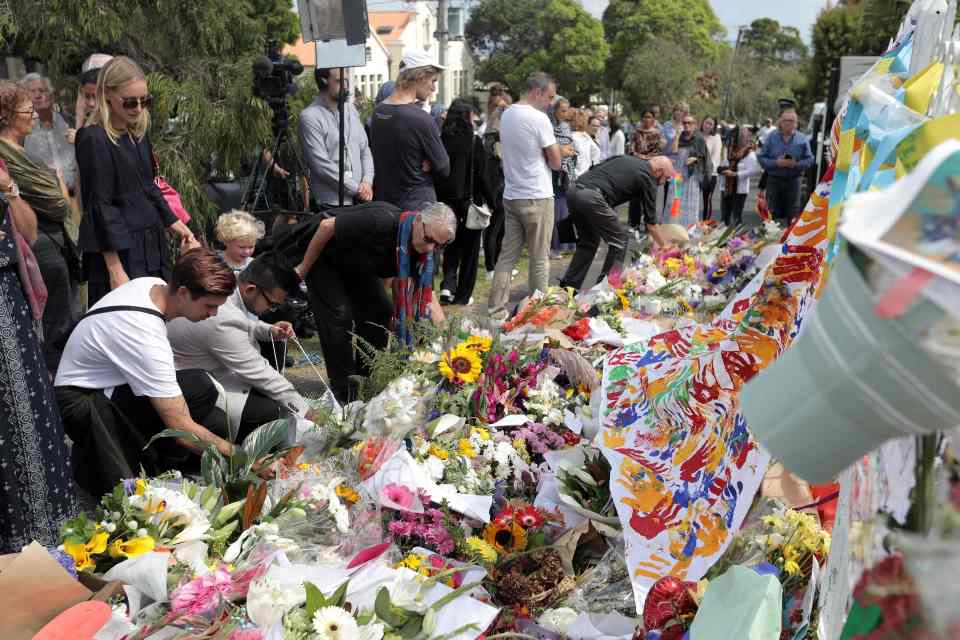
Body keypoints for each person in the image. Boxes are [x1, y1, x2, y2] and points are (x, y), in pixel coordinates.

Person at [55, 249, 237, 496]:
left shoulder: (153, 285)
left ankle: (161, 457)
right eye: (210, 305)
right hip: (81, 401)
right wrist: (240, 455)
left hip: (103, 384)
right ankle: (143, 463)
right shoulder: (144, 332)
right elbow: (182, 429)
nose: (213, 313)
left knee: (200, 387)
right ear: (183, 293)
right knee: (195, 418)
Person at [282, 202, 455, 402]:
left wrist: (447, 341)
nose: (430, 247)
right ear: (418, 221)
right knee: (339, 318)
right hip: (326, 258)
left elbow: (427, 297)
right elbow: (326, 226)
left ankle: (367, 380)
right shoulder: (382, 221)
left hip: (359, 267)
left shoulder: (422, 251)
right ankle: (344, 390)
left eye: (439, 245)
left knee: (380, 313)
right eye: (428, 239)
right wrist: (303, 268)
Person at [0, 161, 79, 553]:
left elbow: (28, 232)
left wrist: (10, 189)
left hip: (8, 300)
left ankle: (44, 538)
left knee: (26, 413)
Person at [75, 56, 198, 307]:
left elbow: (149, 187)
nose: (138, 108)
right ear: (107, 94)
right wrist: (114, 268)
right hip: (119, 249)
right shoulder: (93, 138)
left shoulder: (137, 134)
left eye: (145, 101)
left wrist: (178, 225)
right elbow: (99, 207)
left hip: (151, 244)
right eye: (130, 102)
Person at [167, 257, 310, 435]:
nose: (272, 310)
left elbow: (242, 323)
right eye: (272, 304)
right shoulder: (219, 317)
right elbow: (259, 371)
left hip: (207, 366)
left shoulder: (233, 285)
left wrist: (269, 330)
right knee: (272, 410)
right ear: (251, 289)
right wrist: (306, 410)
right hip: (201, 385)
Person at [0, 81, 81, 374]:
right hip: (43, 249)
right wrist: (56, 184)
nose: (34, 115)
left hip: (55, 245)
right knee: (54, 332)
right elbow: (58, 204)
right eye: (28, 110)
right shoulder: (10, 158)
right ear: (8, 115)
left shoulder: (21, 153)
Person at [487, 72, 562, 318]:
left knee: (507, 257)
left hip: (512, 194)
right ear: (537, 92)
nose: (551, 102)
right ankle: (538, 311)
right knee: (539, 258)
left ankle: (496, 309)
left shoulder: (508, 113)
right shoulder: (539, 119)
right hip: (537, 195)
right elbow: (556, 162)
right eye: (549, 96)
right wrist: (563, 152)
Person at [559, 155, 673, 291]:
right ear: (659, 171)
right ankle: (604, 292)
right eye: (666, 178)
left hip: (575, 190)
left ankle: (567, 288)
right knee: (620, 241)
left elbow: (596, 167)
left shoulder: (627, 159)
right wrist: (666, 247)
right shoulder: (648, 176)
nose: (663, 183)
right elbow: (651, 225)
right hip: (592, 196)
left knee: (588, 243)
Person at [370, 50, 450, 209]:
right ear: (420, 77)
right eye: (433, 81)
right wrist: (430, 161)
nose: (434, 88)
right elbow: (444, 168)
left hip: (385, 205)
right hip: (417, 207)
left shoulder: (378, 111)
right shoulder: (420, 118)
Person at [299, 67, 374, 208]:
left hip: (360, 200)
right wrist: (356, 189)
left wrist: (367, 181)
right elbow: (322, 166)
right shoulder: (310, 117)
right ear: (323, 81)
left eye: (346, 80)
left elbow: (365, 150)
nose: (345, 85)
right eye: (339, 81)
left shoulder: (351, 110)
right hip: (330, 203)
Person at [437, 99, 485, 306]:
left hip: (445, 202)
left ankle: (448, 286)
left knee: (450, 245)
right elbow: (483, 175)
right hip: (469, 202)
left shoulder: (441, 139)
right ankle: (463, 294)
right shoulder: (474, 142)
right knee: (470, 251)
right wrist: (491, 200)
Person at [21, 74, 79, 194]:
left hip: (77, 193)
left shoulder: (69, 121)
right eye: (32, 92)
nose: (38, 95)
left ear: (51, 95)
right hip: (47, 200)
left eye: (42, 90)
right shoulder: (23, 130)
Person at [757, 108, 813, 224]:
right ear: (780, 122)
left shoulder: (802, 139)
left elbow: (810, 160)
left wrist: (795, 164)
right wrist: (775, 163)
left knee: (793, 215)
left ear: (796, 123)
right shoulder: (772, 137)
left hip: (794, 181)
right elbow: (761, 157)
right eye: (785, 120)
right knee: (770, 214)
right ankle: (768, 240)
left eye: (791, 121)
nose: (788, 123)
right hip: (774, 180)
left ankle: (790, 241)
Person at [481, 86, 511, 277]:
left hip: (499, 182)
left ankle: (496, 263)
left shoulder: (494, 134)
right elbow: (499, 160)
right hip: (496, 184)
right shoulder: (494, 137)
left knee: (500, 226)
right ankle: (491, 266)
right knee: (494, 226)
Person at [664, 114, 710, 227]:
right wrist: (678, 135)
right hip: (678, 176)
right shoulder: (678, 137)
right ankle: (673, 227)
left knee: (690, 203)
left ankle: (688, 230)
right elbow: (674, 151)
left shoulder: (699, 139)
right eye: (684, 123)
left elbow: (705, 158)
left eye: (690, 123)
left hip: (692, 177)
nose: (687, 125)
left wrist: (694, 158)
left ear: (694, 125)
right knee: (675, 202)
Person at [548, 96, 577, 258]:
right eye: (563, 110)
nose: (566, 114)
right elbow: (549, 148)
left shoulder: (565, 127)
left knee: (566, 209)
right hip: (554, 173)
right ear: (554, 111)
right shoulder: (548, 126)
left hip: (567, 172)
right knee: (557, 210)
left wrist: (569, 151)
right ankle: (555, 246)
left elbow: (571, 146)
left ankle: (568, 244)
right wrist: (561, 150)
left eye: (567, 110)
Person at [720, 126, 761, 227]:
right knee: (725, 216)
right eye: (739, 135)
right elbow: (723, 164)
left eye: (743, 135)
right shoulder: (730, 150)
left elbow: (755, 170)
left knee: (736, 217)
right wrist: (722, 169)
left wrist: (736, 174)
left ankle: (736, 240)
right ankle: (722, 238)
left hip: (740, 190)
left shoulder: (749, 152)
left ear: (747, 137)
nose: (741, 138)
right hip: (725, 187)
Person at [216, 209, 266, 275]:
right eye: (241, 247)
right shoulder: (215, 262)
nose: (247, 251)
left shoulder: (253, 265)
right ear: (227, 241)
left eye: (251, 247)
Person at [700, 116, 723, 221]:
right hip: (695, 173)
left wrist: (704, 169)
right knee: (693, 199)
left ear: (714, 126)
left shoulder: (716, 138)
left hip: (710, 174)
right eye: (706, 123)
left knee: (706, 200)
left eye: (710, 124)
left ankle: (705, 223)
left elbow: (715, 158)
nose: (707, 125)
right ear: (702, 123)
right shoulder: (697, 136)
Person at [571, 110, 602, 178]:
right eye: (594, 125)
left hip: (589, 175)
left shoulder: (589, 138)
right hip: (579, 175)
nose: (596, 128)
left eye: (598, 126)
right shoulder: (575, 137)